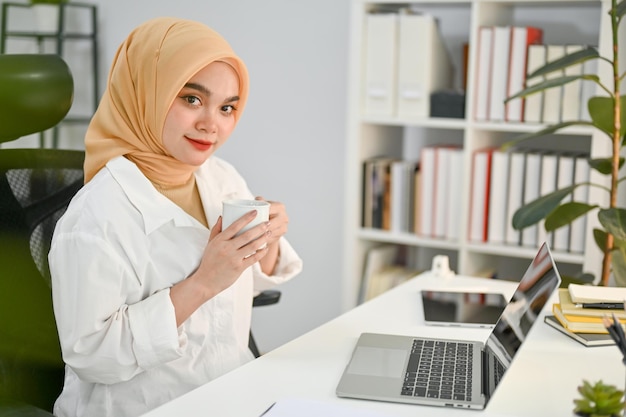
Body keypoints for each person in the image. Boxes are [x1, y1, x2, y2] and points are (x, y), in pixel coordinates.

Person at [48, 17, 303, 417]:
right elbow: (93, 357)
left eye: (227, 108)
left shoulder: (221, 178)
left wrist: (264, 240)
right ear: (145, 92)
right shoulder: (97, 215)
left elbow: (243, 285)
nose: (211, 125)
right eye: (191, 99)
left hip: (231, 397)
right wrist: (202, 282)